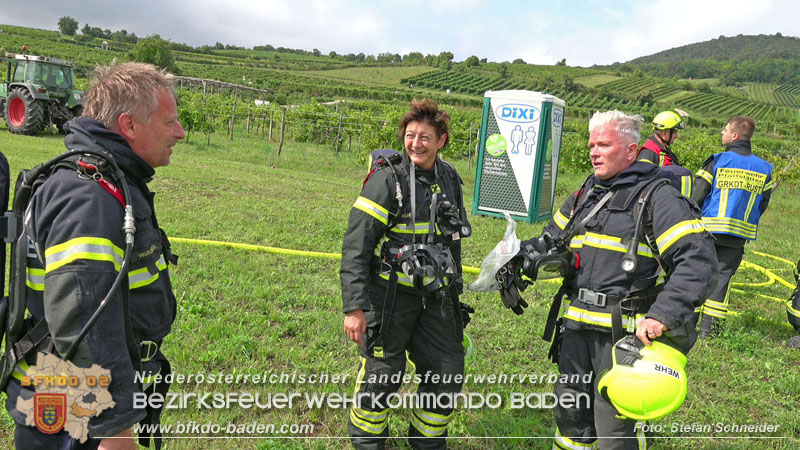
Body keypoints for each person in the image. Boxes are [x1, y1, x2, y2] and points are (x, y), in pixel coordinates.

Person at [504, 110, 716, 449]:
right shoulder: (587, 191)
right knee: (570, 415)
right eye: (591, 144)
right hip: (575, 329)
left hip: (622, 337)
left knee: (614, 428)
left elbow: (698, 260)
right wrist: (513, 257)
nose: (593, 152)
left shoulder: (659, 197)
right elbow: (551, 239)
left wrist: (662, 315)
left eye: (604, 144)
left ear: (631, 151)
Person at [4, 62, 184, 449]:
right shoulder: (89, 197)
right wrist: (116, 431)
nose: (180, 133)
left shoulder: (108, 181)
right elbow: (83, 315)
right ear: (129, 125)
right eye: (169, 122)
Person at [340, 98, 470, 450]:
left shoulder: (450, 179)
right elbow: (357, 246)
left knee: (446, 372)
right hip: (389, 298)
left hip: (437, 299)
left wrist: (454, 293)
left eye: (425, 137)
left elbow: (453, 239)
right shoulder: (387, 180)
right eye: (410, 135)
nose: (416, 143)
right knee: (383, 376)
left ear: (441, 140)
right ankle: (369, 443)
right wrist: (355, 308)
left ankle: (427, 444)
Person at [691, 116, 773, 338]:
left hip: (707, 231)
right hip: (737, 236)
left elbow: (696, 195)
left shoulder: (717, 161)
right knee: (721, 281)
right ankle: (710, 332)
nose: (722, 133)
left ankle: (686, 325)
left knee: (697, 275)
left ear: (735, 135)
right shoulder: (764, 168)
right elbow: (763, 204)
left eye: (725, 129)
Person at [637, 110, 693, 196]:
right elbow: (643, 184)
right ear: (664, 133)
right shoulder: (649, 152)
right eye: (674, 132)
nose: (677, 136)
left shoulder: (663, 151)